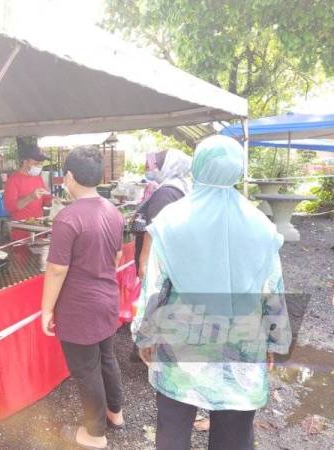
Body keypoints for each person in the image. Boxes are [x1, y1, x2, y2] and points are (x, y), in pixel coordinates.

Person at [133, 135, 291, 450]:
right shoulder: (261, 225)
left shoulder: (171, 221)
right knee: (234, 437)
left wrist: (144, 335)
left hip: (181, 345)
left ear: (199, 166)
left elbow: (154, 289)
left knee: (173, 431)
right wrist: (273, 342)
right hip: (242, 346)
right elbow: (272, 289)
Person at [41, 146, 125, 450]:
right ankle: (115, 413)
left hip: (80, 308)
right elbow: (115, 257)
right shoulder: (112, 211)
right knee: (107, 358)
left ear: (69, 176)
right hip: (107, 299)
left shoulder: (67, 218)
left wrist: (46, 310)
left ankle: (95, 433)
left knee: (86, 370)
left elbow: (56, 270)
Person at [135, 148, 191, 280]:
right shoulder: (181, 187)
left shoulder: (165, 194)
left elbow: (154, 229)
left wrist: (144, 262)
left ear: (168, 166)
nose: (150, 171)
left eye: (156, 166)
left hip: (158, 263)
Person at [4, 138, 50, 241]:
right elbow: (10, 207)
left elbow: (45, 200)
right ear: (25, 162)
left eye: (40, 163)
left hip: (39, 229)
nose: (39, 166)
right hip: (21, 232)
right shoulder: (13, 180)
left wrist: (54, 201)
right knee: (22, 256)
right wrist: (30, 197)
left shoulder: (38, 177)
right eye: (36, 163)